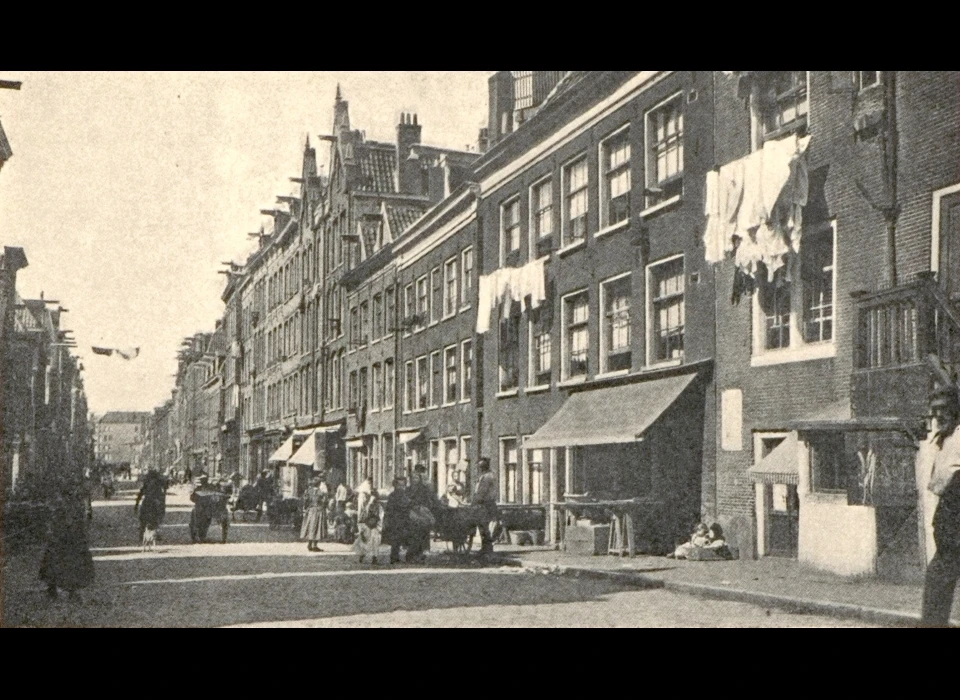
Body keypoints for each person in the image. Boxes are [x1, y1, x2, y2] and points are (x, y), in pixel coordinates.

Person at [921, 384, 960, 627]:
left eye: (943, 409)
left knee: (938, 581)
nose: (938, 416)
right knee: (937, 584)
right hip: (949, 524)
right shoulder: (945, 438)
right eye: (934, 411)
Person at [39, 489, 95, 600]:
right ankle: (55, 589)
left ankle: (70, 590)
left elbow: (81, 522)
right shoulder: (63, 508)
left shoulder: (72, 507)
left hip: (68, 539)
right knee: (59, 563)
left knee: (69, 563)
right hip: (62, 539)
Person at [406, 465, 440, 563]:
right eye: (413, 478)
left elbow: (430, 498)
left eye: (417, 478)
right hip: (412, 514)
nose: (415, 480)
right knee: (415, 534)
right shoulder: (408, 490)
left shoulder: (424, 488)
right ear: (411, 479)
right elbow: (406, 501)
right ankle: (412, 554)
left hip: (422, 513)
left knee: (424, 531)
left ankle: (422, 554)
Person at [472, 458, 499, 556]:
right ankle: (487, 547)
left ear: (483, 467)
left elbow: (481, 493)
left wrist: (474, 503)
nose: (479, 469)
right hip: (490, 504)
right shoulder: (491, 475)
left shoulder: (486, 477)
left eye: (480, 467)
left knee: (483, 526)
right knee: (485, 526)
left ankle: (486, 548)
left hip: (485, 505)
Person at [383, 476, 411, 564]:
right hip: (395, 520)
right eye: (399, 485)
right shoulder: (393, 496)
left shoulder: (406, 495)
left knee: (403, 538)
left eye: (403, 485)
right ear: (395, 485)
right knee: (395, 540)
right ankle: (394, 557)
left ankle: (401, 556)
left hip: (404, 520)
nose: (401, 487)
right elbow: (389, 509)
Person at [134, 469, 167, 543]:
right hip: (154, 504)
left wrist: (136, 504)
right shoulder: (158, 484)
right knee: (156, 519)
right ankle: (154, 533)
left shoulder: (147, 484)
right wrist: (162, 505)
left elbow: (140, 494)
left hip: (146, 503)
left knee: (143, 520)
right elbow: (162, 496)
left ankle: (142, 534)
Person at [300, 476, 328, 552]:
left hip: (310, 511)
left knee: (310, 527)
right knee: (317, 527)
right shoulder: (321, 492)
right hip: (319, 511)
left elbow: (305, 501)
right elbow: (325, 502)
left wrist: (305, 509)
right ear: (319, 484)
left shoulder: (308, 491)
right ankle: (315, 545)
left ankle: (309, 544)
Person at [355, 497, 383, 565]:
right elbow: (362, 519)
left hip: (375, 526)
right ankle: (362, 555)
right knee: (366, 543)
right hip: (367, 526)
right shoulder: (367, 508)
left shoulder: (379, 508)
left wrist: (379, 527)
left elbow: (381, 518)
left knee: (375, 542)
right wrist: (362, 529)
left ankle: (374, 558)